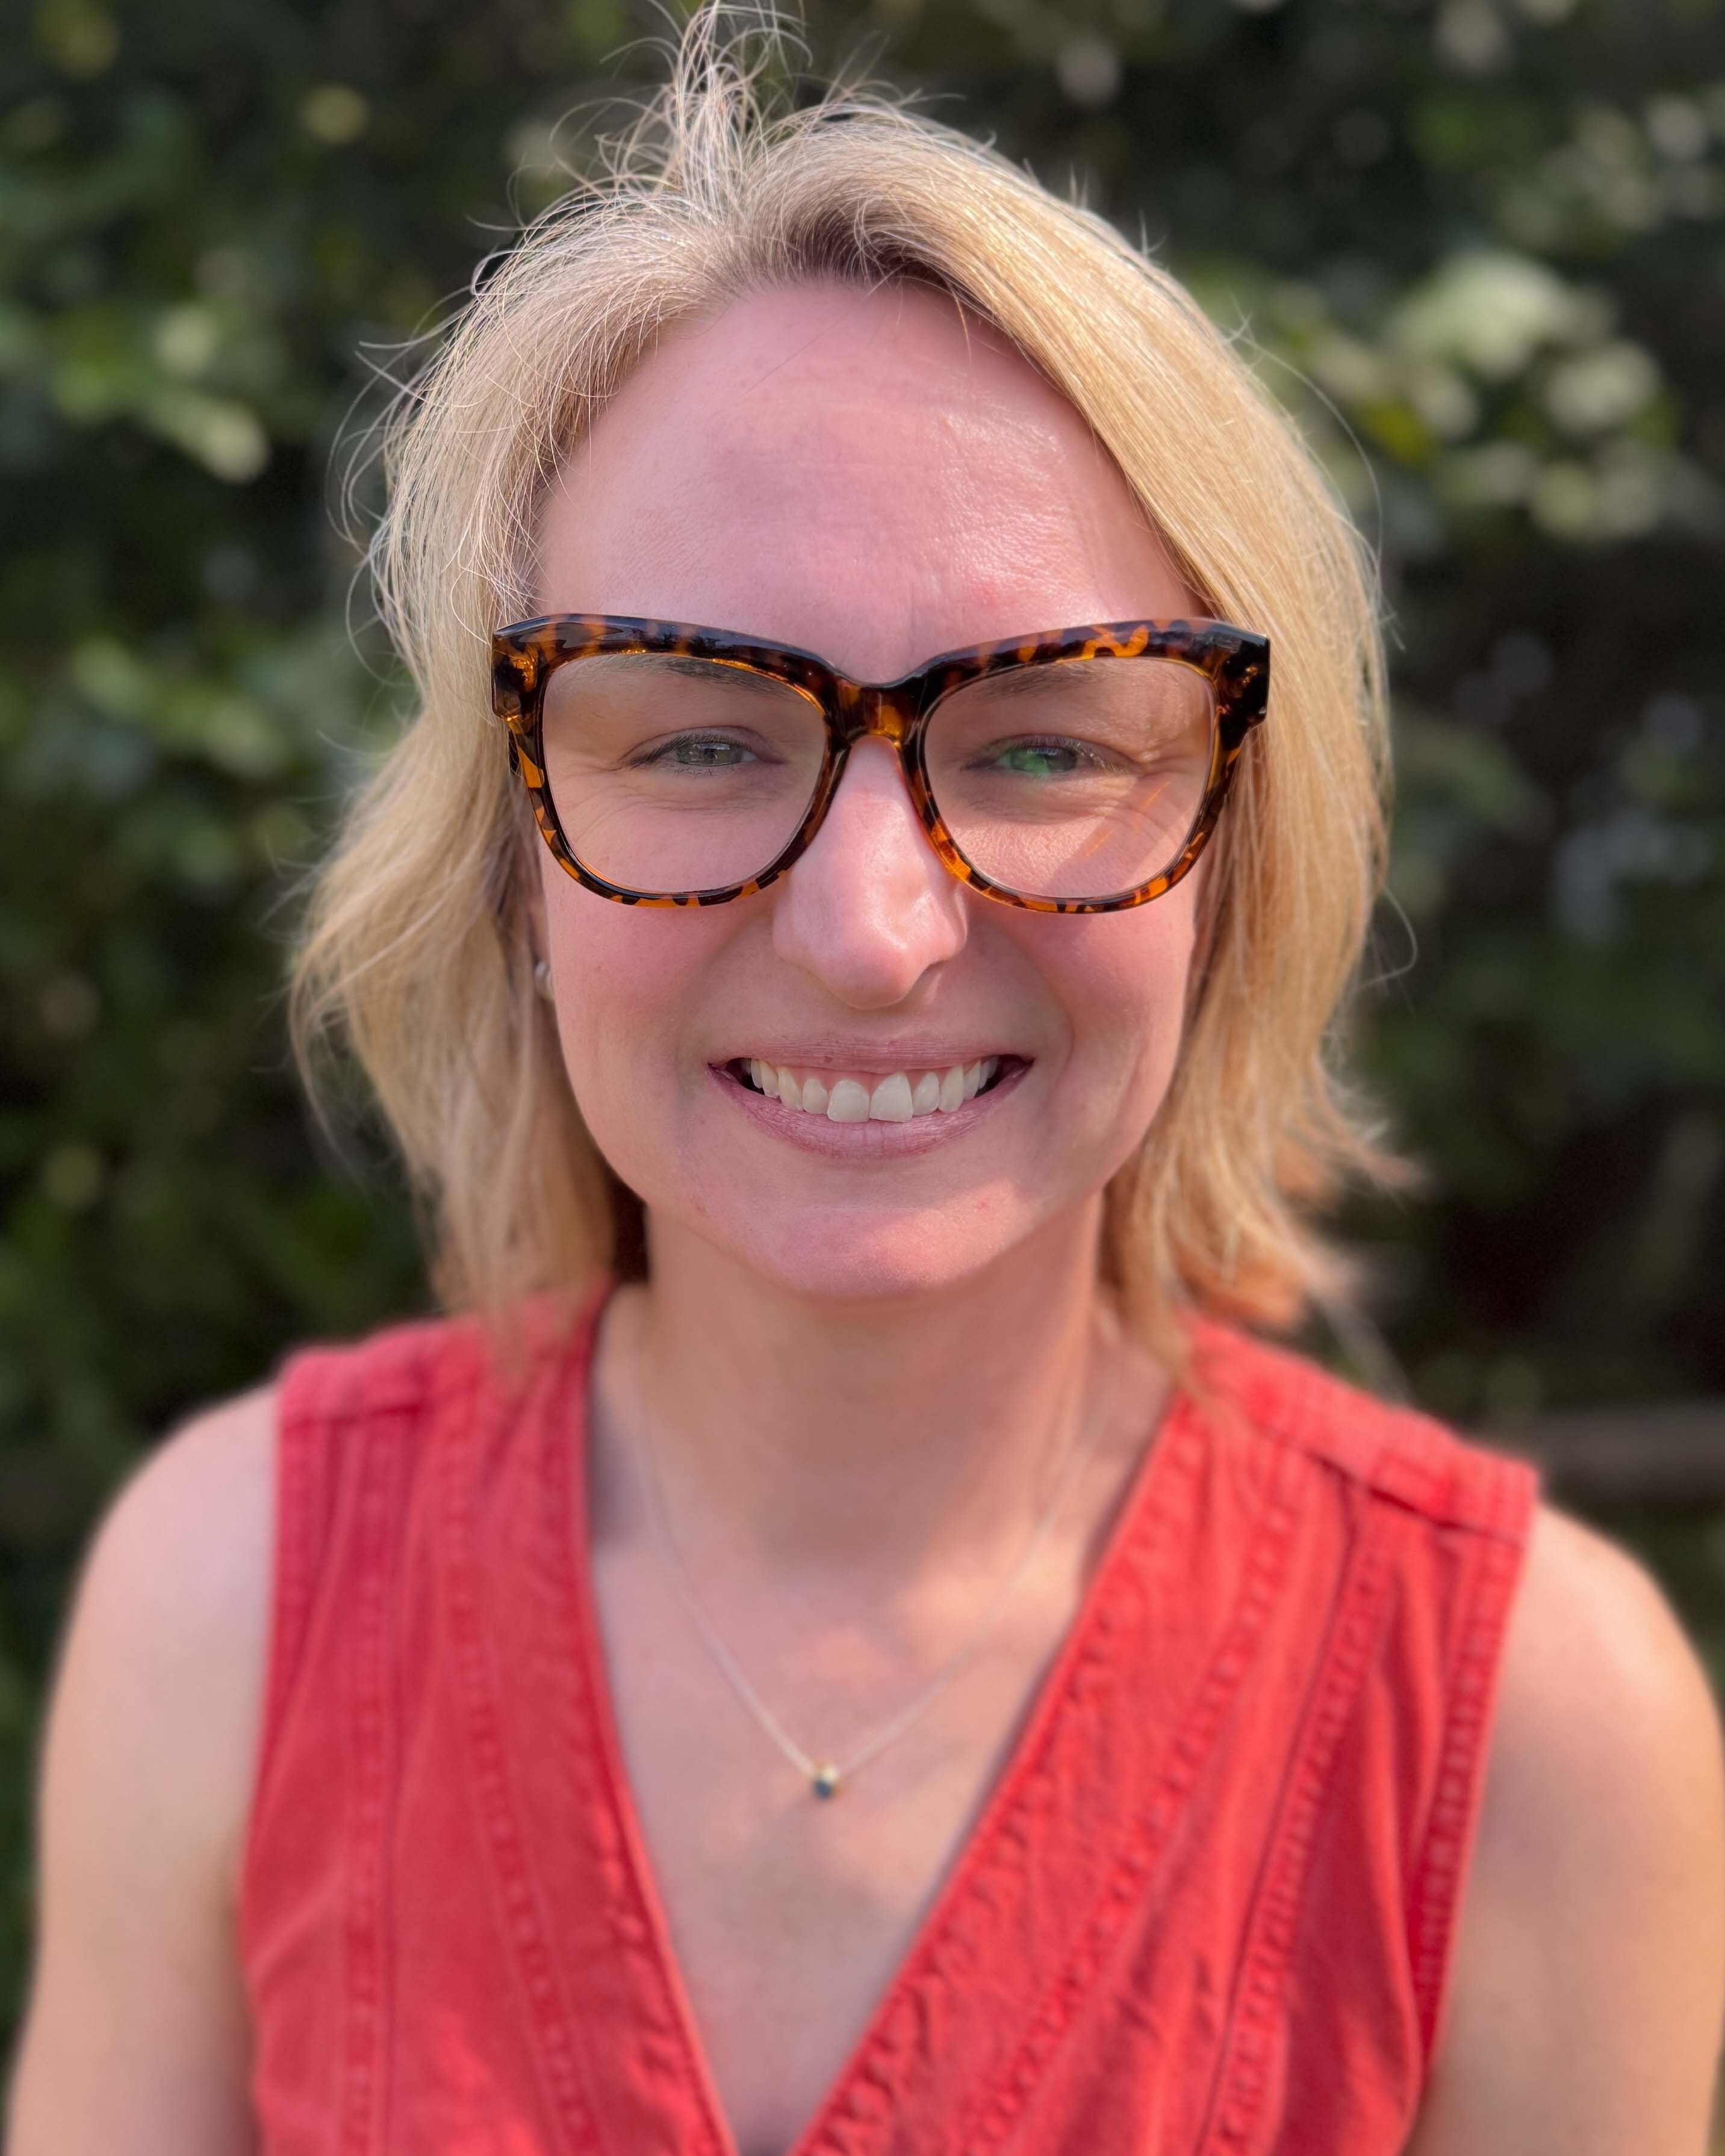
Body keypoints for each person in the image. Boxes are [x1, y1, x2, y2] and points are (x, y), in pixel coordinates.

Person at [8, 12, 1723, 2154]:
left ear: (1238, 850)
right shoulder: (232, 1608)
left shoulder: (1527, 1728)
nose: (873, 929)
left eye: (1043, 742)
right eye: (701, 735)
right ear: (514, 855)